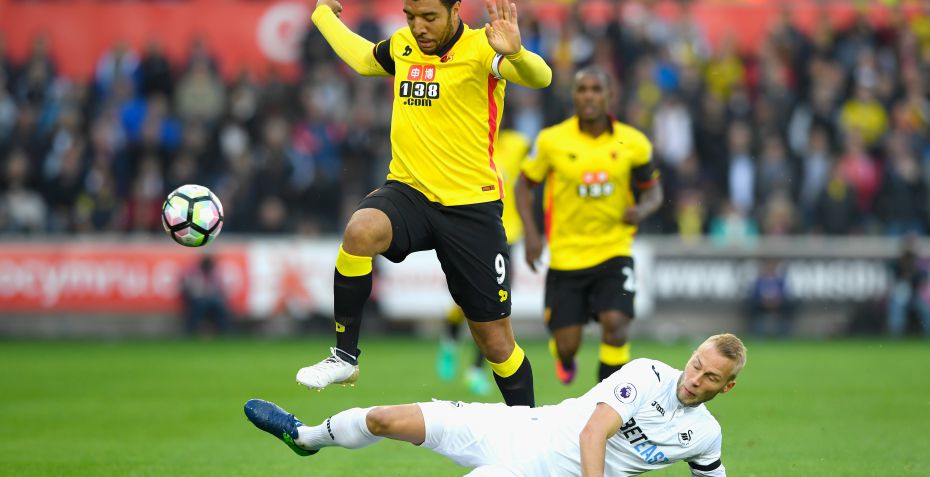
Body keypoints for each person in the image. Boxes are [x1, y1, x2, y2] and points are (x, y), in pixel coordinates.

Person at [298, 0, 551, 408]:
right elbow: (364, 59)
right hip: (410, 192)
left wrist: (517, 53)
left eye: (429, 17)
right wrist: (322, 15)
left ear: (455, 10)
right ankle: (345, 356)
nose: (418, 27)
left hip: (471, 206)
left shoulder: (482, 48)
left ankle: (530, 428)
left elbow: (541, 77)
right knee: (361, 230)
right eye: (410, 16)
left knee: (496, 342)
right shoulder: (403, 46)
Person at [245, 333, 746, 476]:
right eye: (696, 364)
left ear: (726, 388)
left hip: (536, 474)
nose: (694, 379)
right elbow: (595, 432)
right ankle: (305, 437)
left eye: (710, 377)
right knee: (382, 419)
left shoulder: (705, 437)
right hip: (516, 427)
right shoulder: (648, 374)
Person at [514, 66, 663, 385]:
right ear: (574, 95)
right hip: (566, 255)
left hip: (613, 249)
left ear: (610, 95)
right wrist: (531, 234)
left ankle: (608, 402)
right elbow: (523, 185)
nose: (589, 96)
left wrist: (641, 209)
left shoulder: (633, 142)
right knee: (567, 345)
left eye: (596, 89)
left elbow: (654, 191)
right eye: (582, 89)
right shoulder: (552, 140)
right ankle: (565, 358)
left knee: (616, 325)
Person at [437, 127, 531, 396]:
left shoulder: (518, 144)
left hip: (508, 235)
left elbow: (532, 178)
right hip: (476, 233)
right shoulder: (470, 140)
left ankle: (475, 371)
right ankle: (450, 343)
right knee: (464, 302)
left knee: (496, 306)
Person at [887, 235, 930, 337]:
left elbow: (922, 281)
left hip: (915, 294)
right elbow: (894, 281)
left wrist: (912, 275)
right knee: (897, 306)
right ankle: (896, 333)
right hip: (901, 295)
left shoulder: (918, 264)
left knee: (925, 308)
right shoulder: (897, 264)